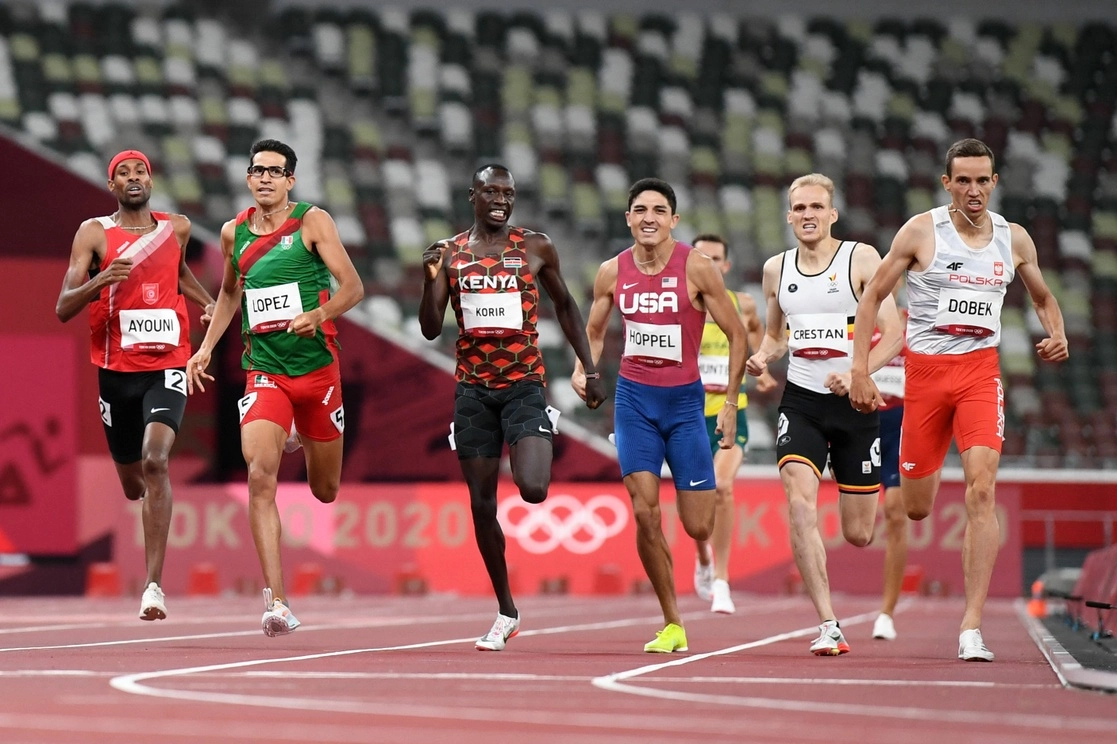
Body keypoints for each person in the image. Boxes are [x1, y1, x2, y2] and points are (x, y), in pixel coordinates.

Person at [851, 138, 1068, 661]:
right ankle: (937, 460)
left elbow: (1042, 295)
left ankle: (971, 626)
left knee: (981, 491)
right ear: (947, 183)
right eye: (964, 180)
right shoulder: (922, 231)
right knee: (917, 509)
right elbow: (873, 294)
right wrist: (859, 369)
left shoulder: (1013, 240)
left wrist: (1055, 331)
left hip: (978, 374)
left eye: (983, 180)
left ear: (995, 182)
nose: (974, 190)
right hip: (924, 380)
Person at [419, 164, 606, 651]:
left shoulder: (536, 246)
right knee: (482, 505)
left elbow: (566, 306)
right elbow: (429, 329)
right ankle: (506, 610)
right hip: (472, 391)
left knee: (534, 489)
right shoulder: (451, 252)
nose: (501, 199)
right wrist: (429, 280)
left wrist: (589, 367)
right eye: (492, 191)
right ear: (472, 195)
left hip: (524, 384)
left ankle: (542, 425)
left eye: (509, 193)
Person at [186, 139, 364, 637]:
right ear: (247, 178)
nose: (265, 178)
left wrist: (319, 314)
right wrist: (204, 348)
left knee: (325, 491)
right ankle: (278, 603)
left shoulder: (312, 222)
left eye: (275, 171)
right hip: (264, 370)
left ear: (290, 180)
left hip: (318, 374)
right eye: (257, 170)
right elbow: (228, 292)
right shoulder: (232, 233)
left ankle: (299, 433)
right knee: (259, 475)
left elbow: (353, 287)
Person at [574, 178, 747, 653]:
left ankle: (703, 558)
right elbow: (592, 329)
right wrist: (580, 369)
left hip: (687, 405)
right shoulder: (612, 271)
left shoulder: (698, 267)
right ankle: (673, 622)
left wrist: (729, 404)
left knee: (698, 526)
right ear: (627, 217)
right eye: (639, 209)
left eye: (658, 209)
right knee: (645, 512)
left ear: (674, 219)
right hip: (634, 402)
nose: (648, 217)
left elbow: (737, 335)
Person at [56, 149, 216, 622]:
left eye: (140, 170)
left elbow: (178, 272)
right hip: (115, 372)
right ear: (112, 186)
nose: (133, 177)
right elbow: (63, 306)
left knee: (155, 459)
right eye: (122, 173)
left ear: (151, 180)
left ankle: (152, 587)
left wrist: (209, 303)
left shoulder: (177, 228)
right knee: (133, 484)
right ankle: (147, 503)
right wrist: (100, 279)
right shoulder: (93, 233)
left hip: (167, 364)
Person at [746, 173, 902, 656]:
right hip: (803, 403)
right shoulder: (777, 269)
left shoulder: (860, 258)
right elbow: (777, 334)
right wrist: (763, 355)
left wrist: (860, 374)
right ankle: (829, 624)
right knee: (799, 504)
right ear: (789, 216)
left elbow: (895, 333)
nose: (808, 215)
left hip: (856, 406)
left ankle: (847, 488)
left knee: (859, 533)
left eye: (817, 207)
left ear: (832, 214)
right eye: (799, 208)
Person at [689, 234, 777, 615]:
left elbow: (760, 331)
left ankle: (722, 581)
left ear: (725, 266)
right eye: (701, 257)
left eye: (716, 259)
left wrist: (762, 368)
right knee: (693, 504)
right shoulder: (677, 302)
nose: (709, 263)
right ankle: (704, 560)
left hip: (730, 410)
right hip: (687, 415)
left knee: (722, 487)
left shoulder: (741, 304)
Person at [869, 288, 908, 641]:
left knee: (896, 511)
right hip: (864, 424)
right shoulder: (859, 326)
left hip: (900, 426)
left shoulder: (914, 327)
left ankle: (887, 612)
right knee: (860, 529)